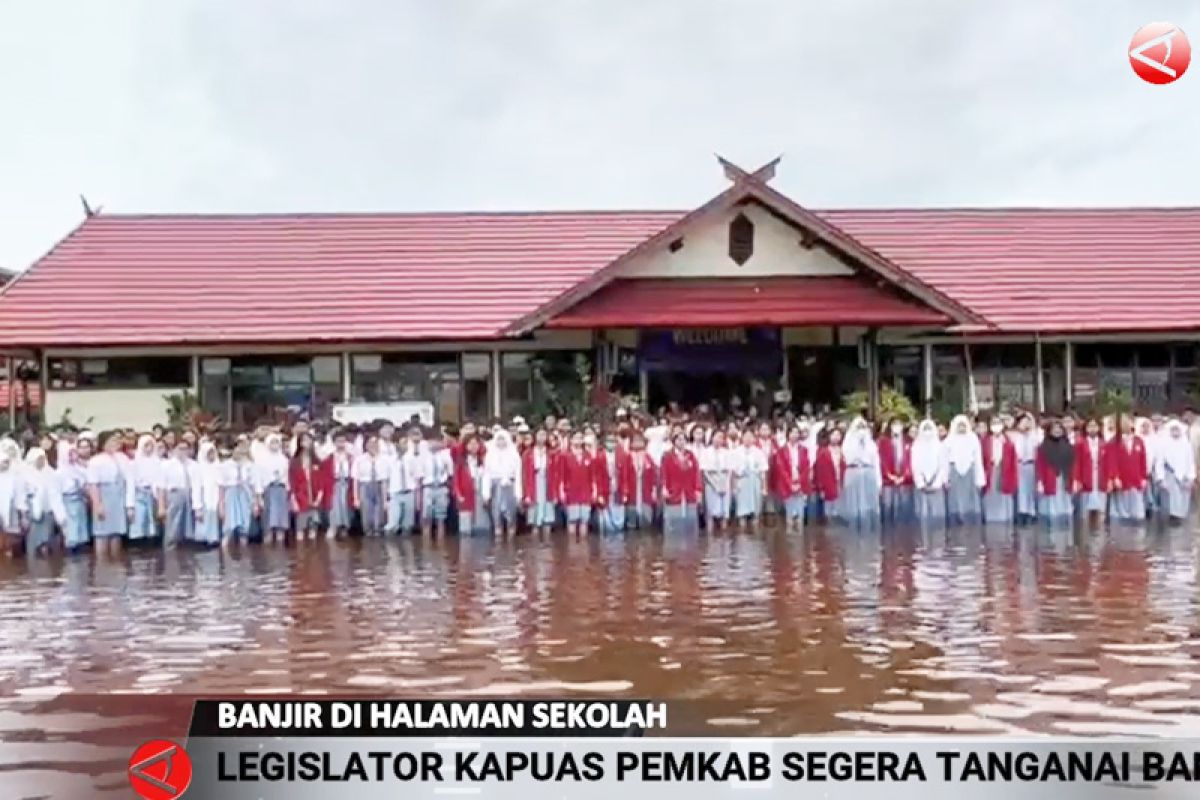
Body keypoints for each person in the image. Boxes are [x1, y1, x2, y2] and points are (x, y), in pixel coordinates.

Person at [86, 431, 128, 558]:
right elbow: (93, 485)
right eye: (111, 441)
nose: (115, 444)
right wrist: (98, 504)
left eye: (116, 441)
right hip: (104, 496)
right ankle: (102, 563)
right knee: (102, 532)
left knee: (116, 531)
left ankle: (116, 562)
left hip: (118, 496)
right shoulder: (95, 461)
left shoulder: (121, 458)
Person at [942, 415, 985, 526]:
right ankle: (955, 524)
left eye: (963, 425)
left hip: (970, 473)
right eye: (959, 426)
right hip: (954, 473)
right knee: (955, 501)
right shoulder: (948, 441)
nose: (961, 428)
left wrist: (980, 479)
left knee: (971, 501)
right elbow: (945, 461)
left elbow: (978, 460)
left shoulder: (973, 439)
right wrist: (945, 479)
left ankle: (971, 525)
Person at [840, 418, 881, 527]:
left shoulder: (871, 443)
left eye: (863, 427)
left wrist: (879, 482)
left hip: (868, 473)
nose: (861, 430)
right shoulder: (848, 442)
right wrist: (858, 444)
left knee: (868, 504)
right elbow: (849, 458)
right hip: (853, 472)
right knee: (853, 504)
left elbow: (875, 462)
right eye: (858, 427)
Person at [1155, 419, 1196, 524]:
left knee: (1183, 503)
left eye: (1177, 429)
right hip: (1170, 476)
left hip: (1184, 477)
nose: (1175, 432)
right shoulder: (1163, 444)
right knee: (1171, 503)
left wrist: (1191, 478)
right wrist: (1161, 478)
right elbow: (1159, 462)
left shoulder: (1186, 444)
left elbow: (1190, 462)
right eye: (1173, 429)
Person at [1109, 414, 1148, 525]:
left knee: (1138, 512)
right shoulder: (1114, 442)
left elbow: (1143, 461)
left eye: (1130, 422)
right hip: (1122, 480)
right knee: (1123, 512)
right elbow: (1112, 461)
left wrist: (1144, 477)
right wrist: (1115, 477)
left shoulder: (1139, 441)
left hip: (1136, 480)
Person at [1035, 418, 1074, 527]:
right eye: (1054, 428)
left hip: (1064, 478)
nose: (1057, 431)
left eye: (1059, 428)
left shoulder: (1068, 446)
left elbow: (1072, 464)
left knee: (1064, 501)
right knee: (1050, 503)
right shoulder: (1043, 447)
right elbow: (1039, 465)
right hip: (1049, 478)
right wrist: (1040, 481)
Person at [290, 432, 328, 540]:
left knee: (313, 528)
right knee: (300, 530)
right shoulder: (294, 461)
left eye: (309, 440)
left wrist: (319, 497)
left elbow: (321, 480)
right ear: (300, 443)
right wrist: (293, 500)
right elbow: (292, 481)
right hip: (300, 496)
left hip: (314, 496)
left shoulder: (316, 460)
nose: (307, 442)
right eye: (304, 440)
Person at [483, 429, 522, 537]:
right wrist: (486, 494)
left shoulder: (514, 454)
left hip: (510, 486)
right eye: (499, 440)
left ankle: (511, 539)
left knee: (511, 517)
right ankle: (498, 539)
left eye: (503, 439)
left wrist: (519, 495)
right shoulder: (490, 455)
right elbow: (487, 475)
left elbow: (518, 475)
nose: (501, 442)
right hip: (495, 487)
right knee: (496, 516)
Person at [220, 436, 257, 545]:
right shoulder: (225, 466)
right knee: (228, 527)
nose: (240, 450)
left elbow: (254, 484)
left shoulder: (250, 466)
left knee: (244, 528)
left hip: (245, 495)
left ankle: (244, 554)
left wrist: (255, 503)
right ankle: (225, 553)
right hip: (231, 495)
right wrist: (221, 504)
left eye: (243, 446)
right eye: (238, 446)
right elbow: (221, 486)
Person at [24, 448, 61, 556]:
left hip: (48, 510)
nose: (41, 461)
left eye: (42, 458)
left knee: (47, 537)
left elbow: (55, 492)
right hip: (32, 510)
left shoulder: (50, 473)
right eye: (38, 459)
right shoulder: (25, 474)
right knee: (33, 538)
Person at [522, 428, 559, 536]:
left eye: (544, 435)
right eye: (539, 435)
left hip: (548, 484)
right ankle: (535, 546)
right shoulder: (527, 454)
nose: (542, 437)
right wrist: (526, 494)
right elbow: (524, 475)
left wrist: (556, 493)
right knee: (534, 519)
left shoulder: (551, 453)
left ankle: (547, 544)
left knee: (548, 519)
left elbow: (556, 474)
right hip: (533, 484)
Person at [910, 419, 948, 524]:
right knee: (923, 517)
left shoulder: (940, 446)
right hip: (922, 488)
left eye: (929, 429)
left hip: (937, 487)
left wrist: (937, 483)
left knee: (938, 519)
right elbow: (915, 466)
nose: (927, 431)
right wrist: (921, 483)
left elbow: (943, 466)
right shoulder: (916, 446)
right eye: (925, 429)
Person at [772, 426, 810, 532]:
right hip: (787, 484)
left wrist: (799, 483)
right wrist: (790, 484)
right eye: (792, 432)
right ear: (788, 434)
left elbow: (806, 468)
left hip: (800, 483)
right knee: (789, 515)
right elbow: (781, 469)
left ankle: (799, 540)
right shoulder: (782, 450)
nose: (795, 435)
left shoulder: (804, 450)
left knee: (800, 514)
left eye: (797, 433)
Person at [981, 417, 1017, 525]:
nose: (996, 426)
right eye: (993, 423)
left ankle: (1005, 518)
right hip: (990, 470)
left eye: (998, 423)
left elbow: (1013, 461)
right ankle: (990, 518)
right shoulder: (985, 441)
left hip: (1004, 470)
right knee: (990, 494)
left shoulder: (1008, 441)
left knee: (1004, 494)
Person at [1073, 418, 1109, 526]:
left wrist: (1109, 479)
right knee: (1085, 507)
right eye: (1090, 426)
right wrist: (1077, 479)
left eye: (1095, 426)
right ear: (1086, 428)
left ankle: (1100, 529)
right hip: (1086, 477)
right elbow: (1076, 463)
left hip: (1100, 477)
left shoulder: (1104, 443)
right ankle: (1085, 530)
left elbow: (1109, 463)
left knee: (1101, 506)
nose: (1093, 429)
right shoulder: (1080, 443)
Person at [661, 431, 701, 527]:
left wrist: (698, 489)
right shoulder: (667, 456)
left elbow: (696, 473)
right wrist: (664, 487)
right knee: (674, 519)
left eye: (683, 440)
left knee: (690, 520)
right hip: (673, 490)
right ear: (674, 441)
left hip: (689, 490)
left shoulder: (690, 455)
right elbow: (663, 473)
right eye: (679, 439)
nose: (681, 442)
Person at [127, 434, 163, 542]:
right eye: (146, 445)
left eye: (151, 445)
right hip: (139, 496)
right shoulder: (133, 464)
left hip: (153, 497)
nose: (149, 448)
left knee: (153, 527)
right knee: (139, 524)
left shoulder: (158, 463)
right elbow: (130, 485)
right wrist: (130, 506)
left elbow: (160, 482)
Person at [257, 433, 291, 543]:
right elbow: (258, 478)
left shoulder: (283, 459)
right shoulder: (261, 460)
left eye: (277, 442)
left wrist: (288, 491)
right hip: (268, 490)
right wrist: (259, 496)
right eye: (272, 443)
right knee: (268, 522)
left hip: (281, 490)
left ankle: (280, 544)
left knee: (281, 522)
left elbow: (287, 476)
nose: (275, 445)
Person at [878, 417, 913, 524]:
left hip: (905, 481)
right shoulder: (883, 441)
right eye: (894, 424)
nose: (897, 427)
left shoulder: (909, 441)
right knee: (887, 508)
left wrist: (904, 476)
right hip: (888, 481)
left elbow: (911, 460)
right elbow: (880, 460)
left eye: (899, 424)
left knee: (904, 508)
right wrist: (889, 475)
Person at [160, 439, 196, 547]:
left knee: (187, 529)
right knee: (172, 527)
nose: (183, 452)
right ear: (174, 450)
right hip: (174, 495)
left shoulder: (193, 465)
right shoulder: (166, 465)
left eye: (185, 449)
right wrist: (161, 506)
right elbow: (161, 486)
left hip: (189, 496)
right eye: (180, 449)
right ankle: (169, 550)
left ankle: (184, 553)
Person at [559, 431, 595, 537]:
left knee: (584, 520)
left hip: (585, 492)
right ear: (571, 440)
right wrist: (561, 491)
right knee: (572, 520)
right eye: (576, 438)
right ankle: (572, 549)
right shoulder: (565, 456)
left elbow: (592, 476)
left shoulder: (588, 455)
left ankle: (583, 549)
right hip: (571, 492)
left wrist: (594, 490)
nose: (578, 440)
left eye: (580, 438)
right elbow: (561, 475)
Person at [732, 429, 768, 530]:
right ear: (742, 438)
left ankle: (755, 531)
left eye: (750, 436)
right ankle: (742, 532)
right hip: (741, 481)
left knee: (756, 512)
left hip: (755, 481)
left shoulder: (759, 452)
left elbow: (763, 471)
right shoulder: (736, 452)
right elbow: (733, 471)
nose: (748, 439)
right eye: (746, 436)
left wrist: (764, 487)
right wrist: (733, 486)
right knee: (742, 512)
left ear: (754, 438)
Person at [595, 432, 630, 534]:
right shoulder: (599, 456)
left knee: (619, 515)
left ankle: (619, 540)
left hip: (618, 490)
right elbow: (598, 477)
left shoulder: (622, 456)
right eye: (609, 441)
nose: (611, 444)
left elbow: (625, 476)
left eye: (613, 441)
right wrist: (599, 494)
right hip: (605, 490)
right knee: (606, 517)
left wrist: (625, 493)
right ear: (605, 443)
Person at [454, 434, 489, 536]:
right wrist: (459, 495)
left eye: (475, 443)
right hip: (465, 495)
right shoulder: (461, 461)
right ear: (465, 446)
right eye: (470, 443)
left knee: (482, 527)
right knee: (465, 527)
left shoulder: (483, 460)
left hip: (480, 494)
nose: (473, 446)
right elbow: (456, 480)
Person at [421, 432, 454, 538]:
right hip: (428, 488)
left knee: (441, 518)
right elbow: (420, 475)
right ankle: (426, 545)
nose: (434, 444)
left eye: (437, 441)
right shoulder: (423, 456)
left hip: (441, 487)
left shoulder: (446, 455)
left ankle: (441, 545)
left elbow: (450, 473)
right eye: (431, 441)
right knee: (427, 518)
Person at [57, 445, 90, 552]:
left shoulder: (79, 469)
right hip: (67, 501)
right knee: (71, 528)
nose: (72, 457)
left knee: (81, 526)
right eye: (69, 454)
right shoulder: (59, 473)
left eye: (74, 453)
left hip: (80, 500)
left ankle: (82, 545)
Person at [699, 429, 733, 532]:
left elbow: (730, 470)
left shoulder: (726, 452)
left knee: (724, 511)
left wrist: (726, 483)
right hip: (711, 482)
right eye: (717, 437)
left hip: (724, 480)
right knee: (711, 512)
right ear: (712, 437)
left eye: (721, 437)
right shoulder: (705, 452)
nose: (719, 439)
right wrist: (715, 485)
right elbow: (704, 471)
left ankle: (724, 532)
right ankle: (710, 535)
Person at [353, 435, 387, 536]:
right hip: (365, 485)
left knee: (379, 511)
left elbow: (384, 479)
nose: (373, 446)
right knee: (366, 512)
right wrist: (356, 498)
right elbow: (356, 479)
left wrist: (385, 499)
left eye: (375, 443)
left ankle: (377, 529)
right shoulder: (360, 459)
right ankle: (368, 531)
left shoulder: (383, 459)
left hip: (379, 485)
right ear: (366, 445)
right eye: (371, 443)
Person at [192, 441, 222, 547]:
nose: (211, 456)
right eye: (209, 453)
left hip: (217, 500)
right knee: (204, 527)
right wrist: (198, 508)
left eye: (213, 453)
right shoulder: (199, 469)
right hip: (205, 501)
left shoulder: (218, 467)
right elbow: (196, 489)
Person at [1011, 413, 1040, 524]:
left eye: (1028, 421)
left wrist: (1032, 424)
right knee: (1020, 490)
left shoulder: (1036, 434)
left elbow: (1038, 442)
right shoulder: (1014, 436)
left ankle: (1031, 513)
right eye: (1023, 421)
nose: (1025, 424)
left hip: (1032, 465)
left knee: (1031, 490)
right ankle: (1020, 512)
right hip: (1018, 465)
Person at [326, 430, 355, 539]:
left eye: (343, 441)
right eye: (338, 441)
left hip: (347, 483)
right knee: (335, 506)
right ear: (334, 443)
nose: (341, 444)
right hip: (335, 483)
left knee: (346, 506)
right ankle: (334, 526)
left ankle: (345, 527)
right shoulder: (330, 457)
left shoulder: (350, 456)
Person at [626, 431, 657, 530]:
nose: (638, 443)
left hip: (646, 494)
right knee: (631, 523)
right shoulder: (627, 458)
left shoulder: (649, 458)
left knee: (646, 524)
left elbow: (654, 476)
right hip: (632, 495)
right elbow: (624, 476)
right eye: (635, 441)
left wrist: (654, 490)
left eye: (640, 441)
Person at [812, 429, 843, 524]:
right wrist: (821, 488)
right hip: (828, 485)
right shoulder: (824, 452)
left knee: (839, 509)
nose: (836, 437)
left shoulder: (843, 450)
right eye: (834, 434)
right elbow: (820, 471)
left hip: (840, 483)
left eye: (838, 435)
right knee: (828, 509)